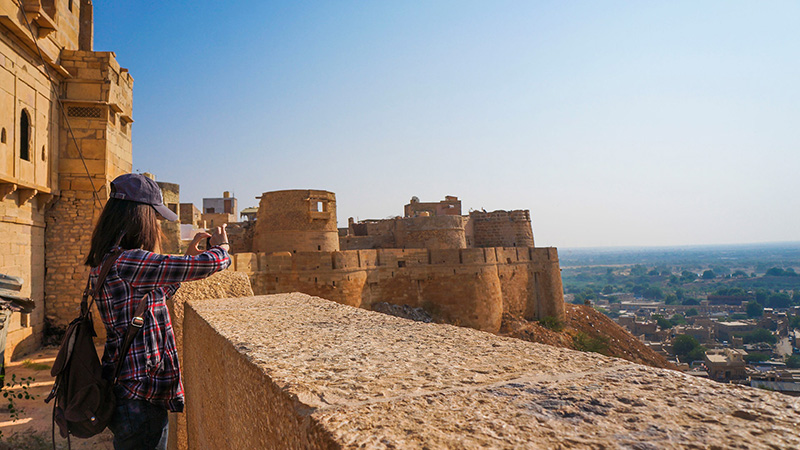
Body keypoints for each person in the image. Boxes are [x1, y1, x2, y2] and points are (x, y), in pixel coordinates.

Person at [84, 173, 231, 450]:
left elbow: (156, 292)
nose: (157, 225)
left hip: (125, 390)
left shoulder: (109, 259)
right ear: (139, 217)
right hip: (140, 395)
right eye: (154, 217)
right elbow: (207, 265)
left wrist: (188, 257)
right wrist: (222, 250)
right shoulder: (130, 261)